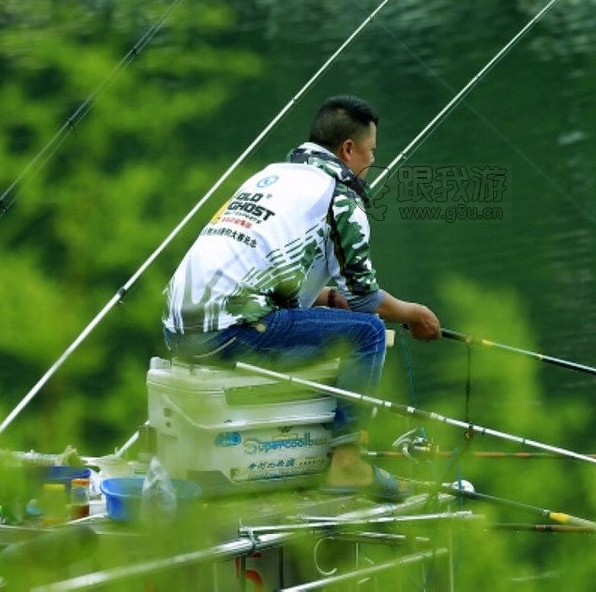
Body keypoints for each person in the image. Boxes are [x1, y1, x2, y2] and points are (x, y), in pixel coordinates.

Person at [162, 95, 441, 500]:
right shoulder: (340, 198)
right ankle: (347, 462)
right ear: (349, 149)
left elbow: (266, 267)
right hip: (227, 333)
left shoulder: (272, 178)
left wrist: (325, 296)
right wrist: (414, 314)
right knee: (368, 334)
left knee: (340, 324)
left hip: (177, 330)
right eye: (371, 153)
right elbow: (364, 300)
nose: (370, 164)